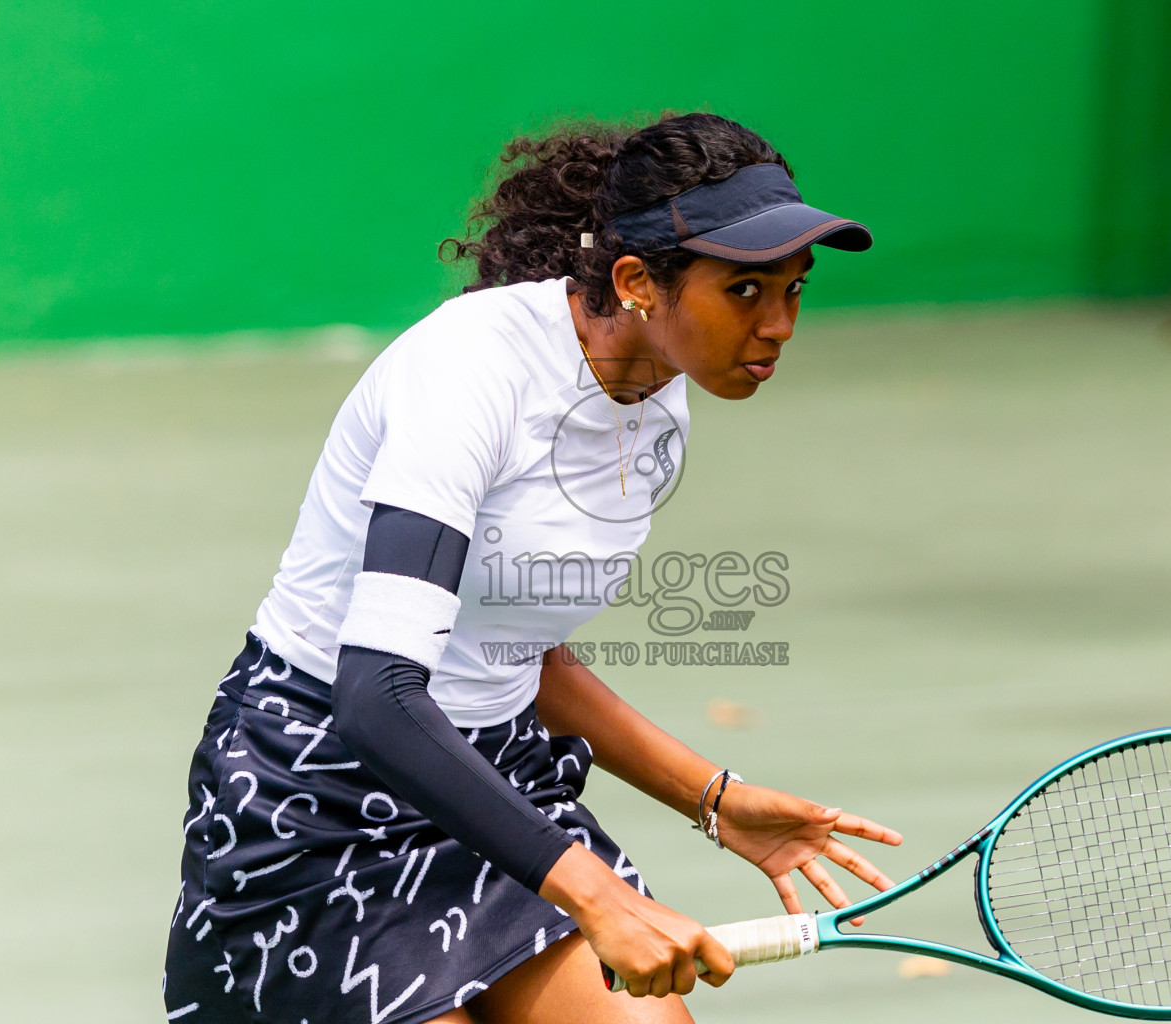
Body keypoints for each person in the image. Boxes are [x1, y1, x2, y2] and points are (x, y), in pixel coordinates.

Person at [163, 111, 900, 1024]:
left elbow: (518, 647)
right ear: (636, 282)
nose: (780, 325)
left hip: (495, 785)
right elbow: (378, 694)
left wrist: (716, 799)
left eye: (795, 289)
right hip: (319, 794)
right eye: (746, 291)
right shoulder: (469, 373)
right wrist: (600, 895)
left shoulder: (657, 405)